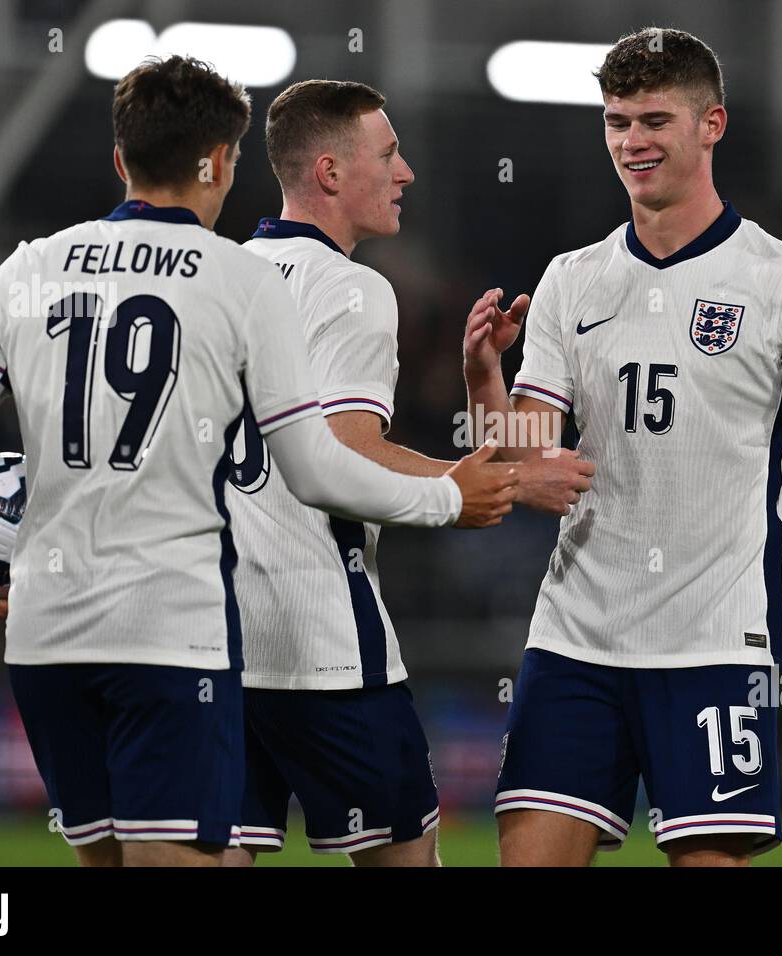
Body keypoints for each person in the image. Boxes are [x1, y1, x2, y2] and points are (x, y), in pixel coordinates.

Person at [0, 56, 514, 868]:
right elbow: (317, 467)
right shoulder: (236, 281)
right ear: (223, 162)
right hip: (177, 634)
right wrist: (449, 497)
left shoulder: (26, 267)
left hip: (49, 637)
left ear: (121, 160)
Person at [462, 28, 782, 866]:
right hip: (575, 638)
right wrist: (485, 378)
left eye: (655, 120)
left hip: (713, 642)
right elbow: (523, 462)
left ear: (713, 125)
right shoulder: (572, 278)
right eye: (617, 121)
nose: (632, 142)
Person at [224, 79, 593, 868]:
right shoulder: (355, 291)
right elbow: (345, 450)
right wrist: (479, 489)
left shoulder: (221, 280)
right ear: (329, 172)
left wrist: (480, 384)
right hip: (322, 638)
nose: (407, 173)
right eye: (387, 154)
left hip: (212, 642)